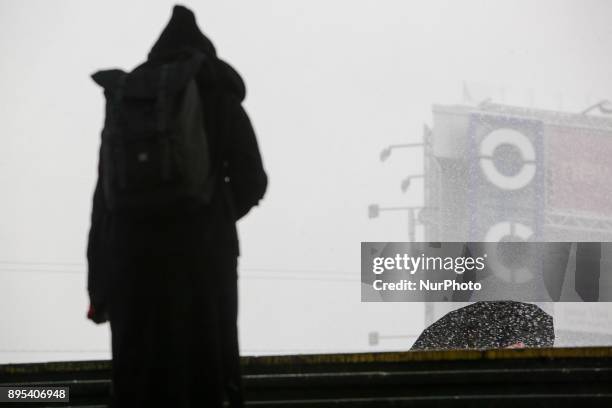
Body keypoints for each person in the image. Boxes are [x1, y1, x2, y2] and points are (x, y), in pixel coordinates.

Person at [86, 5, 267, 407]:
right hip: (203, 256)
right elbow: (252, 179)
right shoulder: (216, 92)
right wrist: (214, 210)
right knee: (207, 370)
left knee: (140, 374)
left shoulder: (128, 100)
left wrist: (99, 288)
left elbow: (104, 201)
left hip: (131, 259)